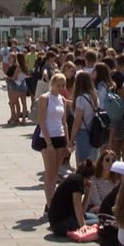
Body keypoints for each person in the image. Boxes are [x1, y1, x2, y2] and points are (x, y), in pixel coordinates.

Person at [37, 71, 72, 210]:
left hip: (60, 136)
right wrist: (48, 142)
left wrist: (68, 142)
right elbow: (41, 121)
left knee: (56, 173)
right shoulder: (44, 98)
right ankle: (50, 205)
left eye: (63, 85)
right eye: (58, 85)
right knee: (49, 173)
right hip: (48, 137)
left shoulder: (62, 100)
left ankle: (52, 202)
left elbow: (64, 122)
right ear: (52, 84)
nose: (61, 88)